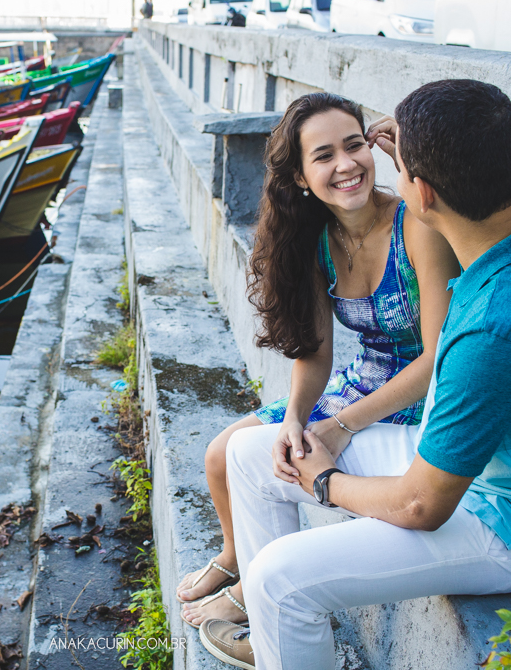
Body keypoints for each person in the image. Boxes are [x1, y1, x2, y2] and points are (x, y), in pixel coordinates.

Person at [203, 79, 511, 670]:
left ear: (420, 190)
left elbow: (423, 506)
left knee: (276, 579)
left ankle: (278, 619)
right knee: (249, 453)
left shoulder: (492, 332)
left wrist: (325, 482)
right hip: (484, 461)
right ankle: (277, 640)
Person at [178, 92, 460, 628]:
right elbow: (315, 353)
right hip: (362, 381)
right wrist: (295, 418)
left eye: (355, 146)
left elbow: (438, 358)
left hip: (420, 393)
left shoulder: (414, 227)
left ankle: (255, 599)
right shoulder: (316, 240)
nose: (346, 165)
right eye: (324, 155)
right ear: (303, 177)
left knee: (260, 458)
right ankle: (239, 560)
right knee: (223, 454)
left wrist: (339, 427)